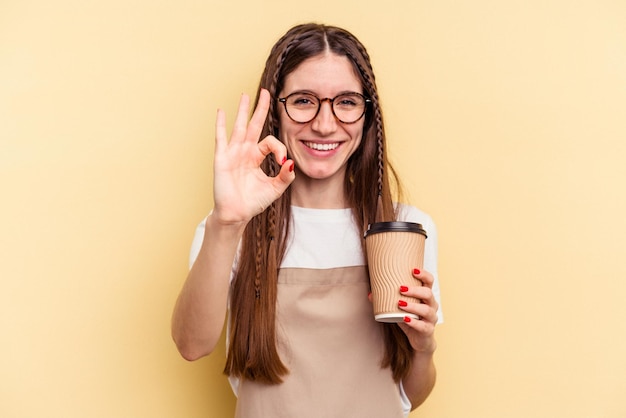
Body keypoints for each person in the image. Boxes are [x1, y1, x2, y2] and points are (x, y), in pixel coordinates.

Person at [171, 23, 442, 418]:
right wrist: (227, 223)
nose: (325, 124)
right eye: (303, 101)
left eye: (346, 102)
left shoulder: (405, 229)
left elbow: (409, 397)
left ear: (367, 115)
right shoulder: (231, 227)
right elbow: (191, 345)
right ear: (276, 111)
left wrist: (424, 347)